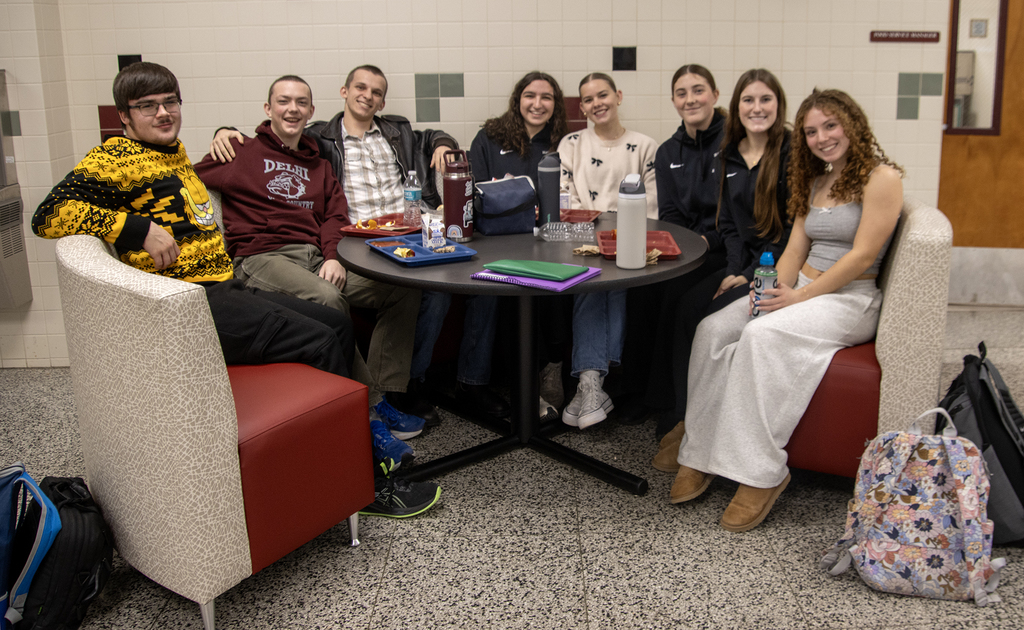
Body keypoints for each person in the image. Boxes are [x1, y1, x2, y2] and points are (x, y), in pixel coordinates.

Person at [33, 62, 441, 519]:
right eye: (148, 107)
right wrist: (134, 228)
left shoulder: (174, 155)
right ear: (124, 117)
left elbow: (329, 210)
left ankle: (368, 418)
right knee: (326, 332)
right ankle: (358, 479)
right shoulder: (118, 159)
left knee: (333, 320)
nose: (163, 113)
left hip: (222, 286)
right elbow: (48, 215)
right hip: (186, 304)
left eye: (170, 103)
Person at [669, 88, 903, 533]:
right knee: (714, 328)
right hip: (804, 287)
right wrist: (773, 288)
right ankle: (698, 453)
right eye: (812, 131)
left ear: (853, 124)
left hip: (850, 298)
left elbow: (861, 255)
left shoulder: (882, 178)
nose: (821, 138)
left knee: (760, 335)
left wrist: (797, 300)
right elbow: (796, 247)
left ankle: (762, 474)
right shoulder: (816, 179)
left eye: (830, 126)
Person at [195, 74, 428, 465]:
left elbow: (336, 215)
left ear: (311, 112)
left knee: (402, 287)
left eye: (301, 103)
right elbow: (188, 182)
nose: (293, 109)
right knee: (327, 297)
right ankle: (366, 413)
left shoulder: (318, 165)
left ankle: (384, 395)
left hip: (315, 257)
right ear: (268, 109)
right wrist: (221, 135)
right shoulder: (243, 153)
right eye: (284, 101)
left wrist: (333, 256)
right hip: (262, 258)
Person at [652, 68, 793, 472]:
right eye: (748, 100)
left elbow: (789, 231)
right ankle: (682, 415)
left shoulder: (789, 155)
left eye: (765, 99)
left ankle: (697, 422)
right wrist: (734, 268)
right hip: (739, 261)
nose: (756, 108)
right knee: (685, 309)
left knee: (704, 317)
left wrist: (748, 274)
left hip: (774, 267)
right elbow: (730, 224)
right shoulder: (730, 155)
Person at [618, 64, 730, 434]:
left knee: (677, 298)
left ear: (714, 94)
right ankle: (633, 392)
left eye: (698, 90)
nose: (690, 99)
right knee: (639, 289)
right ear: (673, 101)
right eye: (682, 93)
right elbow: (669, 215)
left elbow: (733, 215)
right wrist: (680, 246)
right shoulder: (668, 151)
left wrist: (706, 241)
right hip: (685, 248)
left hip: (723, 250)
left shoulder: (735, 144)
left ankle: (667, 401)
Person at [463, 71, 571, 420]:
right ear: (517, 99)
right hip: (496, 241)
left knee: (557, 286)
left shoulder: (564, 143)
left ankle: (550, 367)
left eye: (546, 97)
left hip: (548, 241)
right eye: (530, 95)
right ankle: (510, 385)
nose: (537, 104)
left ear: (556, 105)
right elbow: (476, 192)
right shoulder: (490, 137)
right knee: (504, 289)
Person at [557, 72, 658, 428]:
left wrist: (615, 238)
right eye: (588, 99)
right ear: (581, 106)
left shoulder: (645, 146)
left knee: (610, 274)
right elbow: (563, 199)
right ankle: (594, 384)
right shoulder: (570, 144)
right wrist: (592, 235)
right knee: (592, 276)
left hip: (627, 240)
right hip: (579, 240)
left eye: (603, 95)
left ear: (618, 96)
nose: (596, 103)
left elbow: (651, 206)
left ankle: (589, 383)